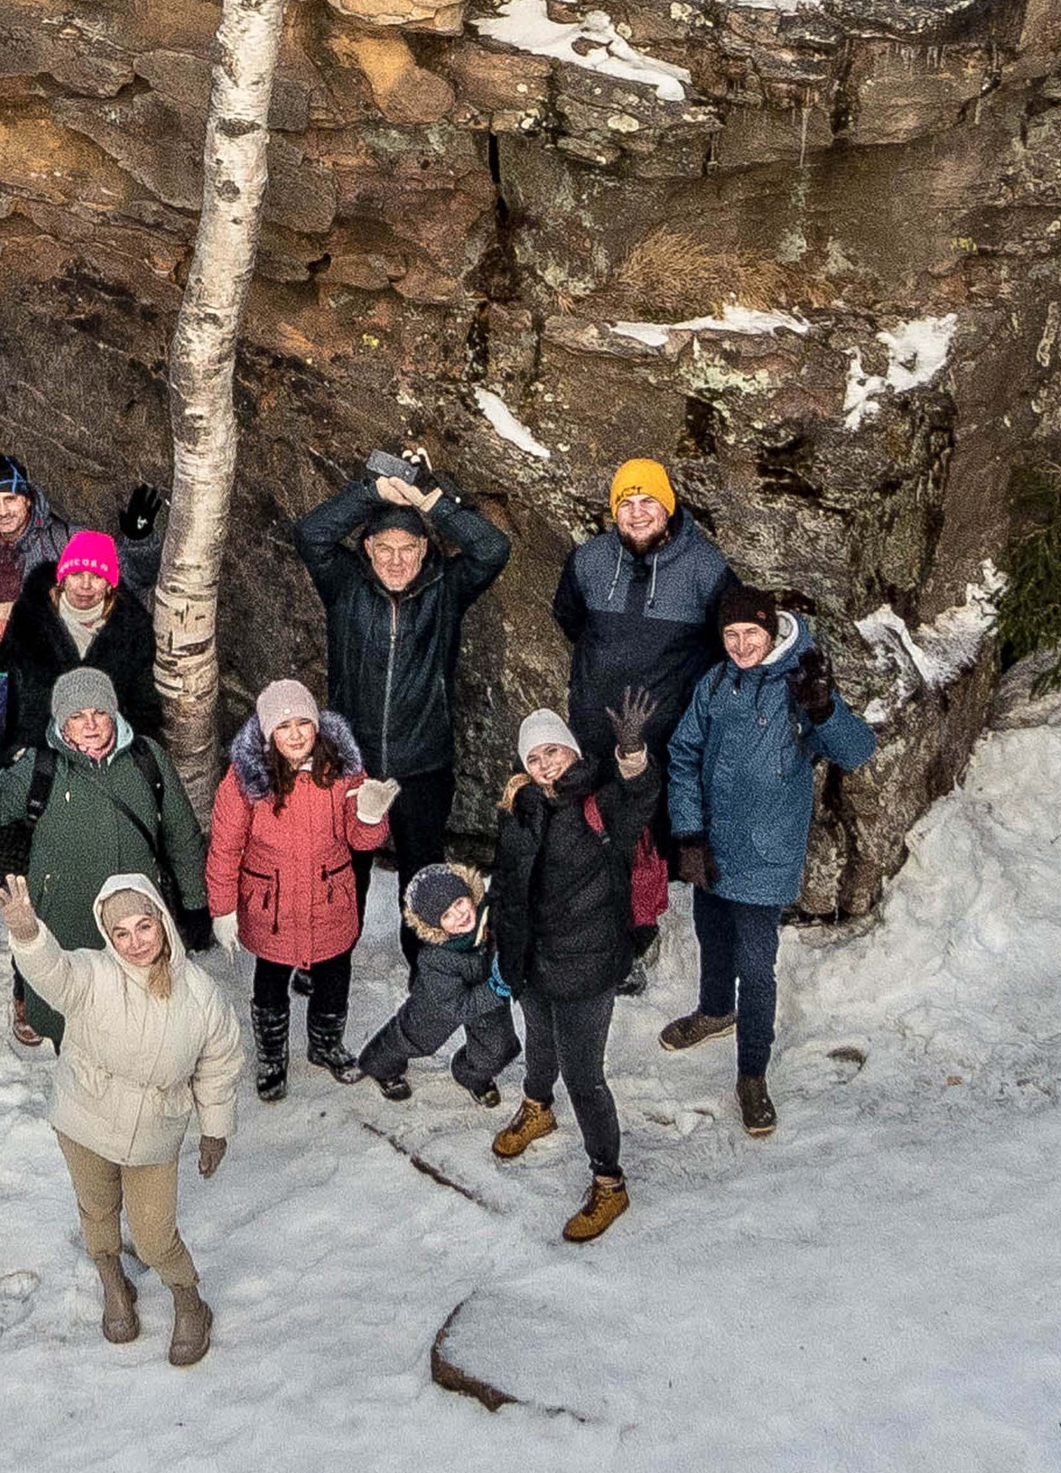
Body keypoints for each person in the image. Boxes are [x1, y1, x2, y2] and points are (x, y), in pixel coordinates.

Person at [0, 871, 238, 1367]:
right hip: (84, 1121)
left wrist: (215, 1127)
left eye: (143, 927)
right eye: (120, 933)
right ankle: (112, 1281)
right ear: (108, 935)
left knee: (154, 1234)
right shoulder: (94, 975)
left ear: (162, 921)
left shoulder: (199, 994)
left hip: (154, 1135)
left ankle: (189, 1300)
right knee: (97, 1209)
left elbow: (219, 1060)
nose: (134, 943)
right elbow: (53, 973)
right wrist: (27, 934)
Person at [659, 588, 878, 1135]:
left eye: (750, 635)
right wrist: (688, 833)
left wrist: (823, 710)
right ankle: (714, 1012)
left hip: (765, 851)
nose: (740, 645)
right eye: (730, 636)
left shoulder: (801, 682)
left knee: (756, 968)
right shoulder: (713, 684)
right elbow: (684, 755)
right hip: (711, 844)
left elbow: (856, 751)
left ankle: (752, 1075)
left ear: (772, 632)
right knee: (710, 933)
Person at [291, 444, 510, 968]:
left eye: (407, 548)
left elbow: (492, 549)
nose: (395, 560)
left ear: (424, 550)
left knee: (422, 869)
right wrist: (374, 492)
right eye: (384, 547)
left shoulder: (446, 589)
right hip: (351, 759)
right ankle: (328, 958)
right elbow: (310, 534)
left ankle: (427, 964)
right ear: (366, 549)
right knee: (344, 866)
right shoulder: (345, 584)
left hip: (423, 762)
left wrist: (432, 502)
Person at [552, 457, 740, 988]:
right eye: (625, 504)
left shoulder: (704, 567)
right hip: (593, 731)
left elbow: (737, 636)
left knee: (644, 847)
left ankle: (636, 943)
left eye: (647, 503)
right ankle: (592, 935)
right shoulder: (589, 561)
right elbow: (569, 618)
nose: (636, 514)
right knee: (591, 835)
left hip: (660, 741)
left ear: (668, 506)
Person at [0, 667, 208, 1048]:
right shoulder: (41, 766)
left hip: (133, 920)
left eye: (99, 714)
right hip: (64, 917)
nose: (90, 725)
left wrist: (195, 902)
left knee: (138, 1018)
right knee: (71, 1021)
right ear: (62, 721)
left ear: (114, 714)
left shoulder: (146, 759)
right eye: (77, 716)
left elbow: (181, 835)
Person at [488, 693, 661, 1244]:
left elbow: (640, 798)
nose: (544, 766)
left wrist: (632, 755)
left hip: (588, 961)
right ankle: (537, 1107)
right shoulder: (522, 808)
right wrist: (499, 946)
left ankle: (609, 1182)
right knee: (539, 1041)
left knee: (584, 1077)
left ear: (572, 751)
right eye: (533, 758)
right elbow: (508, 883)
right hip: (533, 957)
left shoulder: (598, 800)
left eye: (553, 753)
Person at [203, 680, 397, 1099]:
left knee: (334, 974)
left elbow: (362, 841)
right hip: (272, 906)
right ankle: (272, 1055)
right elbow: (225, 847)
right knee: (270, 981)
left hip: (329, 899)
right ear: (269, 732)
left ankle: (325, 1044)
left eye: (303, 723)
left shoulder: (342, 767)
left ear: (316, 726)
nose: (295, 734)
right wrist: (222, 910)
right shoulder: (245, 779)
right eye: (284, 725)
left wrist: (368, 815)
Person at [355, 864, 520, 1107]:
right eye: (446, 916)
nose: (460, 915)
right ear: (434, 925)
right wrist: (497, 988)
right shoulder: (435, 959)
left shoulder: (490, 915)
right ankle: (381, 1065)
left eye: (459, 903)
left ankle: (471, 1074)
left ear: (470, 894)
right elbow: (459, 1005)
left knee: (498, 1048)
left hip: (486, 988)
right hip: (445, 999)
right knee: (415, 1037)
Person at [0, 528, 163, 753]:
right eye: (76, 574)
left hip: (106, 753)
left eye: (97, 576)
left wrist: (125, 750)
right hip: (38, 750)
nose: (85, 585)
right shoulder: (32, 615)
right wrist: (2, 609)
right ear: (62, 578)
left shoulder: (132, 628)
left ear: (111, 583)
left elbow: (144, 704)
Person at [0, 454, 165, 632]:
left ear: (27, 499)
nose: (3, 511)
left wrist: (139, 541)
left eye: (10, 499)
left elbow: (133, 580)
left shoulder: (69, 541)